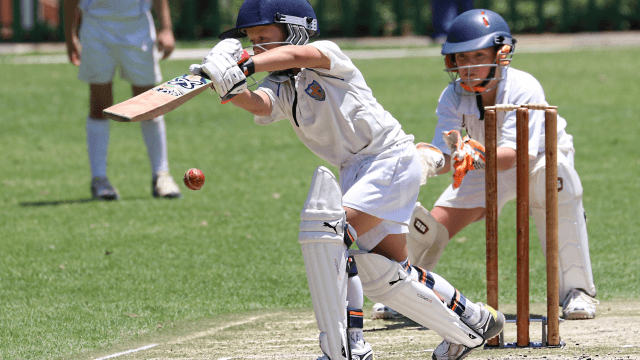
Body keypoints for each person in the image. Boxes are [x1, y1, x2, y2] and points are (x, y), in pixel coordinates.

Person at [189, 1, 505, 359]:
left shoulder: (326, 55)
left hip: (388, 158)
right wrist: (228, 88)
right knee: (386, 276)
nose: (257, 46)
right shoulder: (283, 85)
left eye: (263, 38)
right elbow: (260, 103)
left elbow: (296, 53)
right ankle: (473, 322)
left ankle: (351, 345)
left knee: (329, 235)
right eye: (251, 40)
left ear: (294, 29)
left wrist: (245, 62)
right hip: (356, 169)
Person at [375, 9, 597, 322]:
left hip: (539, 158)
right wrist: (422, 162)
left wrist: (467, 156)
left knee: (557, 184)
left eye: (479, 55)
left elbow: (514, 155)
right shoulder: (452, 96)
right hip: (484, 163)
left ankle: (577, 293)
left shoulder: (524, 86)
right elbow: (444, 153)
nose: (469, 66)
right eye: (462, 58)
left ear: (501, 54)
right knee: (430, 227)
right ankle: (403, 294)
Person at [64, 0, 182, 200]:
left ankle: (161, 175)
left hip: (137, 25)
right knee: (99, 104)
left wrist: (166, 28)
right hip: (96, 26)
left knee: (149, 104)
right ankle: (99, 179)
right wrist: (70, 35)